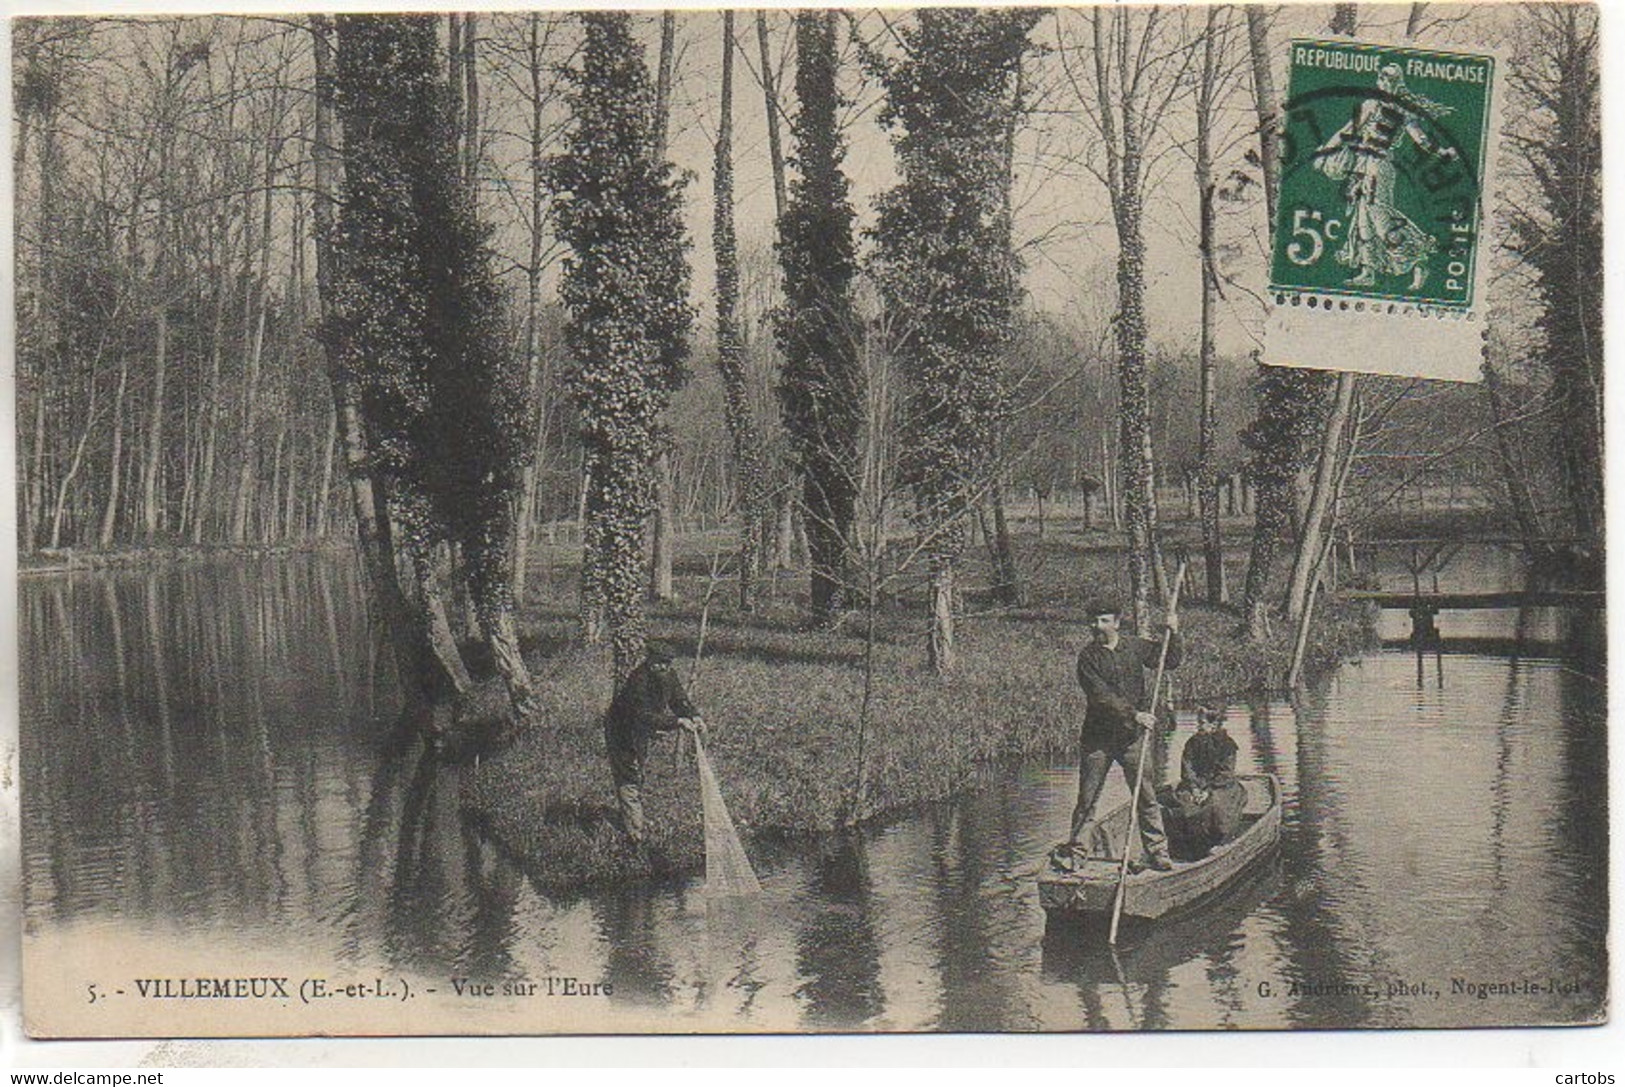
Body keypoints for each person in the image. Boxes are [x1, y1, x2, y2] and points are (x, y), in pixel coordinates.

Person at [1314, 63, 1458, 291]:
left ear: (1390, 82)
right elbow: (1350, 129)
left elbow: (1417, 137)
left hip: (1379, 166)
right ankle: (1367, 271)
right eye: (1380, 80)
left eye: (1383, 80)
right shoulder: (1382, 105)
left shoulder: (1393, 108)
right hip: (1364, 165)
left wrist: (1441, 152)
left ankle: (1418, 261)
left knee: (1381, 220)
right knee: (1363, 222)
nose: (1379, 83)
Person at [1070, 599, 1181, 871]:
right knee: (1088, 799)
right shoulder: (1087, 658)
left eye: (1104, 621)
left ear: (1117, 623)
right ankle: (1076, 853)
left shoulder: (1134, 646)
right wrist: (1135, 714)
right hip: (1098, 740)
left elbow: (1169, 660)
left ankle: (1157, 852)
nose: (1097, 627)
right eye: (1094, 621)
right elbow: (1101, 697)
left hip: (1132, 739)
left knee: (1146, 796)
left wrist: (1174, 633)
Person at [604, 641, 705, 845]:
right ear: (649, 660)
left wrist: (693, 715)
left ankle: (632, 818)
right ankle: (635, 836)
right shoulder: (638, 680)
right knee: (629, 778)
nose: (664, 667)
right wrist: (676, 722)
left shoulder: (668, 675)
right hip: (622, 731)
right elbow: (643, 716)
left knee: (638, 772)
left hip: (641, 732)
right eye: (659, 663)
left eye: (667, 663)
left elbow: (679, 700)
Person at [1159, 704, 1246, 861]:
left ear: (1213, 725)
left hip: (1222, 786)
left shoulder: (1227, 745)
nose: (1198, 727)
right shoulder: (1192, 743)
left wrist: (1208, 791)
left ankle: (1218, 842)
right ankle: (1187, 846)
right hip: (1195, 785)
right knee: (1184, 803)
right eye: (1198, 722)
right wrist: (1194, 788)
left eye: (1201, 723)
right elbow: (1187, 768)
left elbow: (1225, 773)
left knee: (1215, 806)